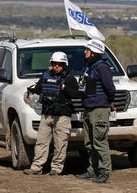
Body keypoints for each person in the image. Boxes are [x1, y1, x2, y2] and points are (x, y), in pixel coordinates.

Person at [23, 51, 78, 176]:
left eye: (59, 64)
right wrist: (31, 91)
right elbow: (38, 89)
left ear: (64, 64)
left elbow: (75, 94)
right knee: (41, 142)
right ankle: (36, 167)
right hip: (47, 114)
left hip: (62, 116)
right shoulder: (46, 75)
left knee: (60, 143)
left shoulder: (70, 78)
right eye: (54, 64)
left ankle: (56, 168)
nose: (56, 66)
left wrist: (64, 88)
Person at [75, 39, 116, 184]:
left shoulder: (102, 67)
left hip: (99, 110)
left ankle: (104, 172)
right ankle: (93, 170)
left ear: (93, 52)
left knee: (99, 141)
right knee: (89, 142)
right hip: (88, 109)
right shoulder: (89, 67)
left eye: (87, 50)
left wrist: (107, 101)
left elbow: (110, 89)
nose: (85, 52)